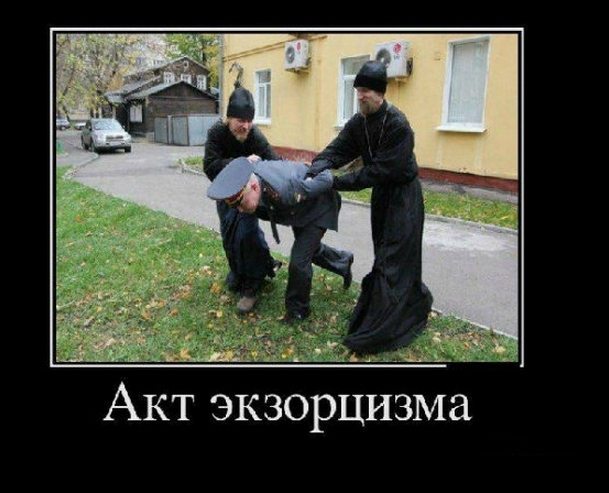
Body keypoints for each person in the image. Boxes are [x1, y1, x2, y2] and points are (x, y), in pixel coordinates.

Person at [306, 60, 433, 354]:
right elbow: (338, 149)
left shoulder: (398, 126)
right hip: (382, 197)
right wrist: (318, 167)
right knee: (383, 253)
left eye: (365, 90)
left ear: (380, 93)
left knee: (394, 258)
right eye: (358, 90)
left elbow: (377, 172)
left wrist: (334, 183)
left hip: (404, 197)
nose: (360, 95)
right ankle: (384, 311)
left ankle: (386, 325)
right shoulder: (359, 122)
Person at [207, 157, 354, 324]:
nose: (240, 210)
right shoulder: (250, 179)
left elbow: (326, 179)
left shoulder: (285, 189)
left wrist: (317, 167)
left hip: (319, 208)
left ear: (254, 187)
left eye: (241, 203)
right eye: (236, 206)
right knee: (307, 250)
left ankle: (298, 311)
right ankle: (342, 260)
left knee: (299, 261)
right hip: (297, 210)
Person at [204, 86, 282, 314]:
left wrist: (293, 172)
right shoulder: (216, 133)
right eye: (240, 120)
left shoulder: (254, 135)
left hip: (249, 197)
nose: (245, 126)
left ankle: (251, 287)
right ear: (229, 118)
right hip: (226, 194)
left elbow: (274, 161)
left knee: (246, 235)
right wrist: (241, 164)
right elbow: (209, 166)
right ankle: (247, 270)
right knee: (229, 236)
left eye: (249, 121)